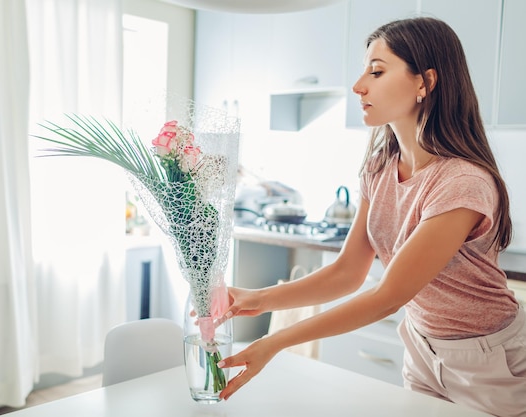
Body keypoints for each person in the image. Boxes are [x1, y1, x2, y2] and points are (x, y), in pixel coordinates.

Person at [216, 17, 526, 417]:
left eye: (376, 71)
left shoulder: (463, 182)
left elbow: (388, 296)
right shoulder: (380, 167)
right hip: (421, 344)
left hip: (488, 357)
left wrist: (275, 342)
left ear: (424, 83)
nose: (359, 85)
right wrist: (258, 299)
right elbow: (347, 272)